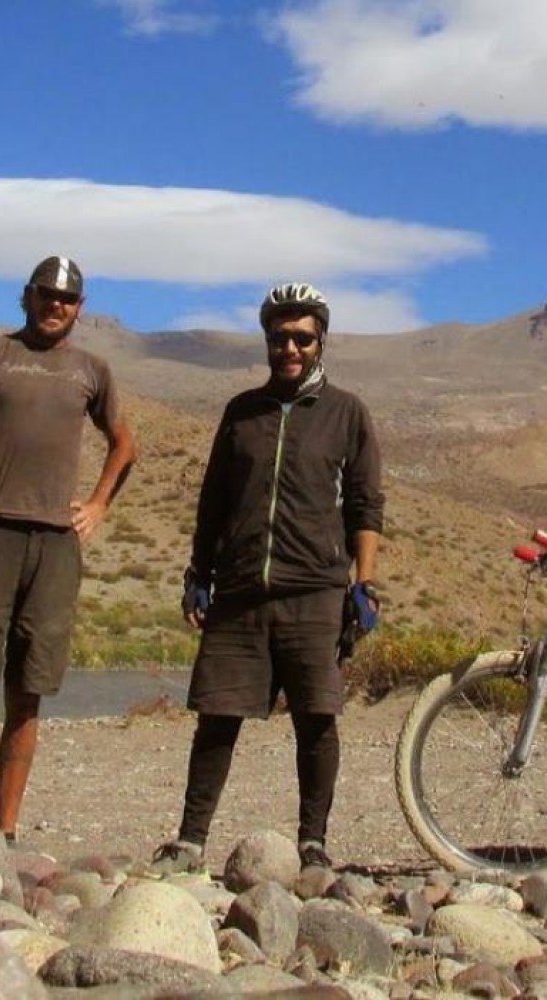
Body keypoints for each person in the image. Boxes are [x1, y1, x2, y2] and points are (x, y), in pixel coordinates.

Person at [152, 281, 384, 874]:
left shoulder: (347, 412)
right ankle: (190, 840)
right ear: (267, 340)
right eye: (279, 337)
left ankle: (313, 843)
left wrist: (364, 582)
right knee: (216, 718)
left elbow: (365, 505)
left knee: (316, 720)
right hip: (239, 591)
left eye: (302, 337)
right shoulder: (242, 412)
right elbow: (213, 503)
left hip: (315, 589)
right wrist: (197, 574)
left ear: (321, 341)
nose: (290, 347)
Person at [0, 255, 136, 843]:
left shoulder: (92, 370)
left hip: (54, 549)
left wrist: (96, 505)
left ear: (79, 307)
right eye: (46, 294)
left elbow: (124, 444)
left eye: (67, 298)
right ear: (28, 295)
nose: (55, 306)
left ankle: (5, 837)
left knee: (28, 695)